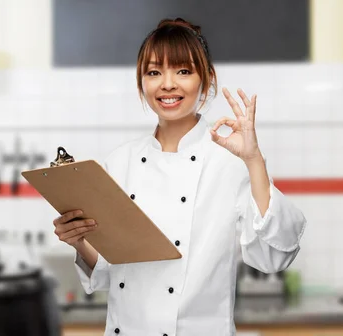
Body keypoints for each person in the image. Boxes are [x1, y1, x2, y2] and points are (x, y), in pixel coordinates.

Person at [52, 17, 306, 336]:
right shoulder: (119, 162)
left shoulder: (230, 161)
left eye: (183, 71)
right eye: (154, 72)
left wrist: (255, 160)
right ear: (141, 82)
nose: (167, 84)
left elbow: (274, 257)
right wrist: (79, 241)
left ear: (206, 79)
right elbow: (107, 273)